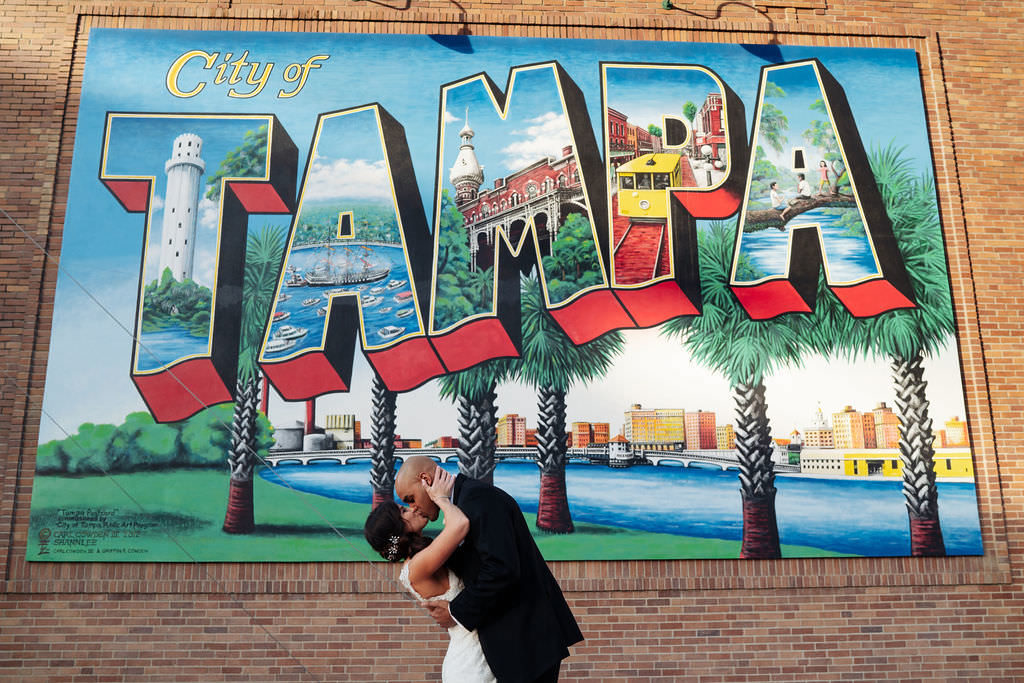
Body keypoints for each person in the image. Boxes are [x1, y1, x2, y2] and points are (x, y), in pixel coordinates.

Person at [395, 456, 583, 683]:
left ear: (425, 479)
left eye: (410, 498)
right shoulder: (463, 504)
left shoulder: (478, 499)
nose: (413, 507)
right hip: (511, 643)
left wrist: (456, 611)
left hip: (528, 639)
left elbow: (501, 568)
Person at [365, 466, 497, 682]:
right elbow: (460, 525)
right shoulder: (416, 566)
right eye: (404, 511)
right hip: (471, 666)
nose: (413, 508)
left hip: (483, 653)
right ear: (398, 530)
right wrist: (442, 499)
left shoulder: (424, 555)